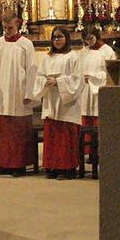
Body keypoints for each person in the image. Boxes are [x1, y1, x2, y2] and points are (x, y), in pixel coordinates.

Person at [0, 12, 37, 177]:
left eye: (10, 28)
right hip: (2, 92)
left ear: (17, 25)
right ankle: (4, 164)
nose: (7, 31)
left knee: (18, 130)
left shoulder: (26, 44)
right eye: (5, 28)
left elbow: (31, 69)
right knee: (4, 129)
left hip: (19, 92)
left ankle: (19, 164)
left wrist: (29, 92)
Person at [33, 29, 83, 180]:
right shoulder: (48, 57)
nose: (57, 40)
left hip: (67, 103)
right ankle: (53, 166)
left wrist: (59, 81)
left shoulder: (73, 56)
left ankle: (67, 169)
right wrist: (45, 81)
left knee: (65, 137)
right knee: (53, 135)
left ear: (66, 38)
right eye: (54, 37)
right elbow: (39, 76)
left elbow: (78, 79)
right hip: (51, 99)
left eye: (60, 37)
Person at [78, 28, 111, 150]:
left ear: (97, 35)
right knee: (86, 117)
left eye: (91, 38)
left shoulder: (107, 51)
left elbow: (110, 73)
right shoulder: (84, 51)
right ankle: (88, 150)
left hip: (99, 89)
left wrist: (93, 77)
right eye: (86, 40)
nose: (89, 42)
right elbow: (78, 69)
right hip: (85, 89)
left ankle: (99, 150)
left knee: (98, 117)